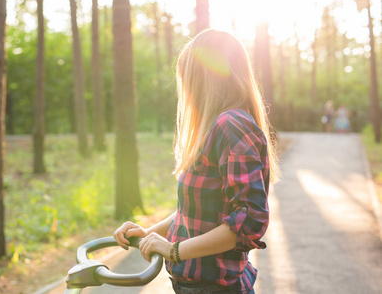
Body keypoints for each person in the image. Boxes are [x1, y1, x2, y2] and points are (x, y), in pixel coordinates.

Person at [113, 29, 280, 294]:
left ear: (206, 78)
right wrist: (148, 234)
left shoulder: (232, 125)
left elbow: (249, 223)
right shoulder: (216, 127)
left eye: (188, 80)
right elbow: (194, 214)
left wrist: (174, 250)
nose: (186, 91)